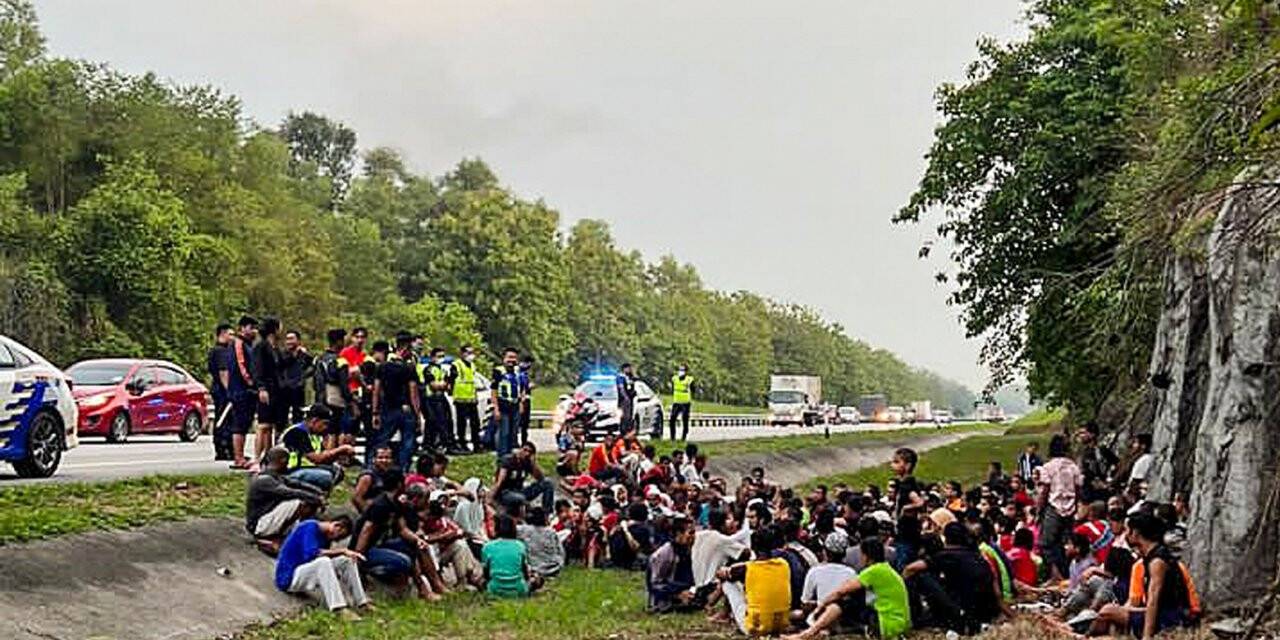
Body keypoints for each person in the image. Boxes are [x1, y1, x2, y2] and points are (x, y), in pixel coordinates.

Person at [784, 536, 911, 640]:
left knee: (841, 602)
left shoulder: (873, 571)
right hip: (899, 624)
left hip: (886, 625)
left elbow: (840, 592)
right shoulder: (885, 569)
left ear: (867, 555)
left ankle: (808, 633)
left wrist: (820, 606)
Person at [1092, 513, 1197, 638]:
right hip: (1163, 611)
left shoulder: (1157, 561)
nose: (1125, 534)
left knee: (1108, 611)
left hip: (1173, 616)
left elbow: (1153, 601)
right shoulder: (1150, 557)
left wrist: (1147, 636)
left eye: (1127, 530)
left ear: (1135, 533)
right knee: (1111, 612)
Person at [349, 474, 447, 601]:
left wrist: (418, 540)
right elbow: (365, 531)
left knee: (415, 546)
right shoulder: (381, 505)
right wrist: (358, 558)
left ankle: (431, 586)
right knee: (404, 562)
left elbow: (402, 529)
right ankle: (416, 588)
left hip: (382, 544)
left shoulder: (396, 503)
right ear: (400, 485)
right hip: (367, 549)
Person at [903, 522, 1002, 634]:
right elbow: (997, 592)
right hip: (986, 613)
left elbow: (910, 569)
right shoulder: (977, 555)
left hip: (965, 614)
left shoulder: (946, 556)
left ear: (946, 538)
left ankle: (916, 619)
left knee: (921, 576)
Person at [274, 517, 370, 618]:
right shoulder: (309, 527)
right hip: (289, 577)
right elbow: (312, 554)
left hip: (304, 572)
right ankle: (339, 608)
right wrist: (342, 551)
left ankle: (362, 602)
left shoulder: (325, 537)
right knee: (323, 561)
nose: (335, 540)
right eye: (339, 536)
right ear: (336, 525)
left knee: (347, 561)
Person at [245, 446, 325, 553]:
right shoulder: (264, 480)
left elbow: (297, 484)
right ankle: (272, 537)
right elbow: (291, 492)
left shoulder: (275, 476)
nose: (288, 464)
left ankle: (285, 535)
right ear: (283, 460)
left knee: (306, 500)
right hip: (259, 525)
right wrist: (317, 499)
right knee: (300, 503)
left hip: (268, 518)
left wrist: (318, 492)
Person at [718, 525, 793, 636]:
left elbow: (721, 574)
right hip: (781, 625)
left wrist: (727, 570)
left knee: (727, 583)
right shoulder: (784, 564)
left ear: (752, 547)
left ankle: (724, 614)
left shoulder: (747, 568)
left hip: (755, 627)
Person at [371, 334, 422, 470]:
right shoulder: (409, 368)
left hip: (387, 409)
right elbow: (413, 393)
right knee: (408, 442)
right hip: (405, 410)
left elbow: (376, 390)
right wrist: (417, 414)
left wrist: (375, 412)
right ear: (405, 349)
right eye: (410, 350)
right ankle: (403, 468)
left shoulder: (382, 367)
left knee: (382, 439)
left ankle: (376, 466)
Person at [1039, 433, 1083, 579]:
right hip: (1070, 508)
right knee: (1065, 543)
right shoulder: (1073, 467)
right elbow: (1078, 489)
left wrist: (1039, 509)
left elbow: (1045, 490)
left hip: (1053, 507)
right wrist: (1075, 506)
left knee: (1046, 543)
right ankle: (1067, 572)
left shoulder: (1048, 467)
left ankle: (1055, 574)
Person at [280, 404, 353, 492]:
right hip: (289, 471)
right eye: (324, 424)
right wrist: (341, 449)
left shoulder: (314, 434)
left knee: (337, 471)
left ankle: (315, 494)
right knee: (326, 477)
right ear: (314, 421)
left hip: (305, 468)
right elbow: (317, 459)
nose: (326, 427)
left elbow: (325, 456)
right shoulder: (297, 432)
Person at [314, 329, 358, 453]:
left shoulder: (319, 359)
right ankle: (335, 457)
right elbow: (344, 386)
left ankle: (323, 455)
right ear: (339, 341)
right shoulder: (340, 361)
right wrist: (351, 401)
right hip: (336, 400)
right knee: (336, 431)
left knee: (325, 430)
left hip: (321, 399)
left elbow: (315, 382)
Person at [482, 514, 543, 598]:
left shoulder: (487, 547)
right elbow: (525, 573)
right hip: (518, 590)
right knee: (537, 579)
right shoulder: (520, 545)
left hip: (494, 590)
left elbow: (486, 573)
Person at [647, 516, 698, 613]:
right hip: (667, 593)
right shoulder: (665, 553)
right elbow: (655, 584)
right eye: (691, 533)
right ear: (679, 533)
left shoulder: (689, 549)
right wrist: (677, 594)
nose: (694, 536)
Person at [251, 317, 285, 461]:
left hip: (276, 389)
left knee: (270, 426)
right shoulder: (261, 346)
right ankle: (257, 457)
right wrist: (261, 388)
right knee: (263, 425)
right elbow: (258, 369)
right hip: (266, 388)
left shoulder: (275, 347)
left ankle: (268, 455)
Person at [492, 441, 555, 514]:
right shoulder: (508, 460)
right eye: (525, 450)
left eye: (529, 452)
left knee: (548, 483)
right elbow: (500, 481)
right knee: (520, 498)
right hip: (506, 492)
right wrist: (492, 497)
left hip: (520, 491)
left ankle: (546, 512)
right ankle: (524, 510)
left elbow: (541, 478)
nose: (527, 453)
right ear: (520, 449)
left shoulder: (527, 462)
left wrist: (533, 464)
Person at [229, 315, 259, 469]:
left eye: (255, 328)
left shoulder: (249, 345)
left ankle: (240, 455)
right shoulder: (238, 344)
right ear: (241, 328)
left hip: (246, 390)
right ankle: (238, 458)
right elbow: (242, 367)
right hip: (241, 390)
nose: (253, 331)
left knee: (245, 423)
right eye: (250, 327)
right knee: (240, 424)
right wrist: (252, 383)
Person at [420, 346, 458, 454]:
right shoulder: (429, 369)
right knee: (435, 422)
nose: (441, 358)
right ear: (432, 357)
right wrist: (447, 381)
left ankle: (447, 444)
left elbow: (448, 388)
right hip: (432, 398)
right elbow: (434, 385)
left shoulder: (442, 369)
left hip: (441, 397)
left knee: (447, 421)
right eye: (439, 356)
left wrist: (449, 380)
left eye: (443, 356)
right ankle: (431, 445)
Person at [208, 323, 234, 461]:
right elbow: (223, 372)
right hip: (222, 391)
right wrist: (230, 391)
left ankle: (224, 449)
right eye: (230, 334)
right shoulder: (221, 351)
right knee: (225, 420)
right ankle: (224, 448)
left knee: (222, 419)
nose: (232, 337)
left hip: (218, 389)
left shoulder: (216, 350)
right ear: (222, 334)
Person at [490, 347, 522, 456]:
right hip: (503, 404)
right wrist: (496, 408)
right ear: (504, 358)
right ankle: (502, 455)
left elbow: (521, 388)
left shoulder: (518, 371)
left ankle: (511, 453)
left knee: (514, 431)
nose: (511, 360)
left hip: (515, 405)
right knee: (504, 431)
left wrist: (521, 403)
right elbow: (493, 390)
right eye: (509, 357)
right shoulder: (499, 371)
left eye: (514, 358)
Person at [517, 505, 565, 577]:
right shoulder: (551, 532)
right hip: (552, 567)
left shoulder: (523, 530)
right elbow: (561, 551)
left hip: (533, 568)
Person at [452, 345, 482, 452]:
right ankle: (462, 444)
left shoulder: (472, 365)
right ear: (462, 353)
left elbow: (473, 381)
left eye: (472, 352)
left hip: (472, 398)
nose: (471, 355)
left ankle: (477, 445)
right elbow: (451, 380)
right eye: (468, 352)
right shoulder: (456, 365)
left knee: (475, 424)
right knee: (462, 424)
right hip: (460, 398)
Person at [278, 330, 313, 425]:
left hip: (298, 389)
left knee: (298, 416)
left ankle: (297, 437)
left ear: (298, 341)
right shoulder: (281, 354)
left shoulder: (304, 355)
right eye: (287, 339)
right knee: (281, 418)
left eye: (291, 339)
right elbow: (280, 366)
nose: (289, 342)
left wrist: (303, 377)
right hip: (283, 390)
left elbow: (313, 366)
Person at [351, 444, 396, 513]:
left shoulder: (394, 474)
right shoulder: (367, 477)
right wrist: (368, 514)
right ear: (374, 459)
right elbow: (356, 498)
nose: (384, 460)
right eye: (380, 458)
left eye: (387, 458)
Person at [668, 365, 694, 441]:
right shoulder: (674, 379)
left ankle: (683, 438)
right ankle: (672, 438)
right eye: (680, 370)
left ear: (686, 372)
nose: (681, 372)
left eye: (683, 370)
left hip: (685, 403)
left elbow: (693, 389)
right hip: (676, 402)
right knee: (672, 419)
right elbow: (672, 388)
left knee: (685, 420)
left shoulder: (689, 380)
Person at [518, 354, 535, 446]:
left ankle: (523, 441)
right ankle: (523, 441)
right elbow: (523, 388)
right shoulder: (522, 374)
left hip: (524, 399)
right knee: (523, 423)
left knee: (523, 424)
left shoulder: (523, 373)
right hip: (523, 400)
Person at [616, 363, 637, 434]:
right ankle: (623, 432)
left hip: (630, 400)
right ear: (624, 369)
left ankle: (628, 431)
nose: (629, 369)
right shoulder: (621, 377)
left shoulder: (630, 377)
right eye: (628, 368)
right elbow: (621, 389)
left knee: (629, 418)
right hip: (624, 401)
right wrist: (625, 397)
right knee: (625, 417)